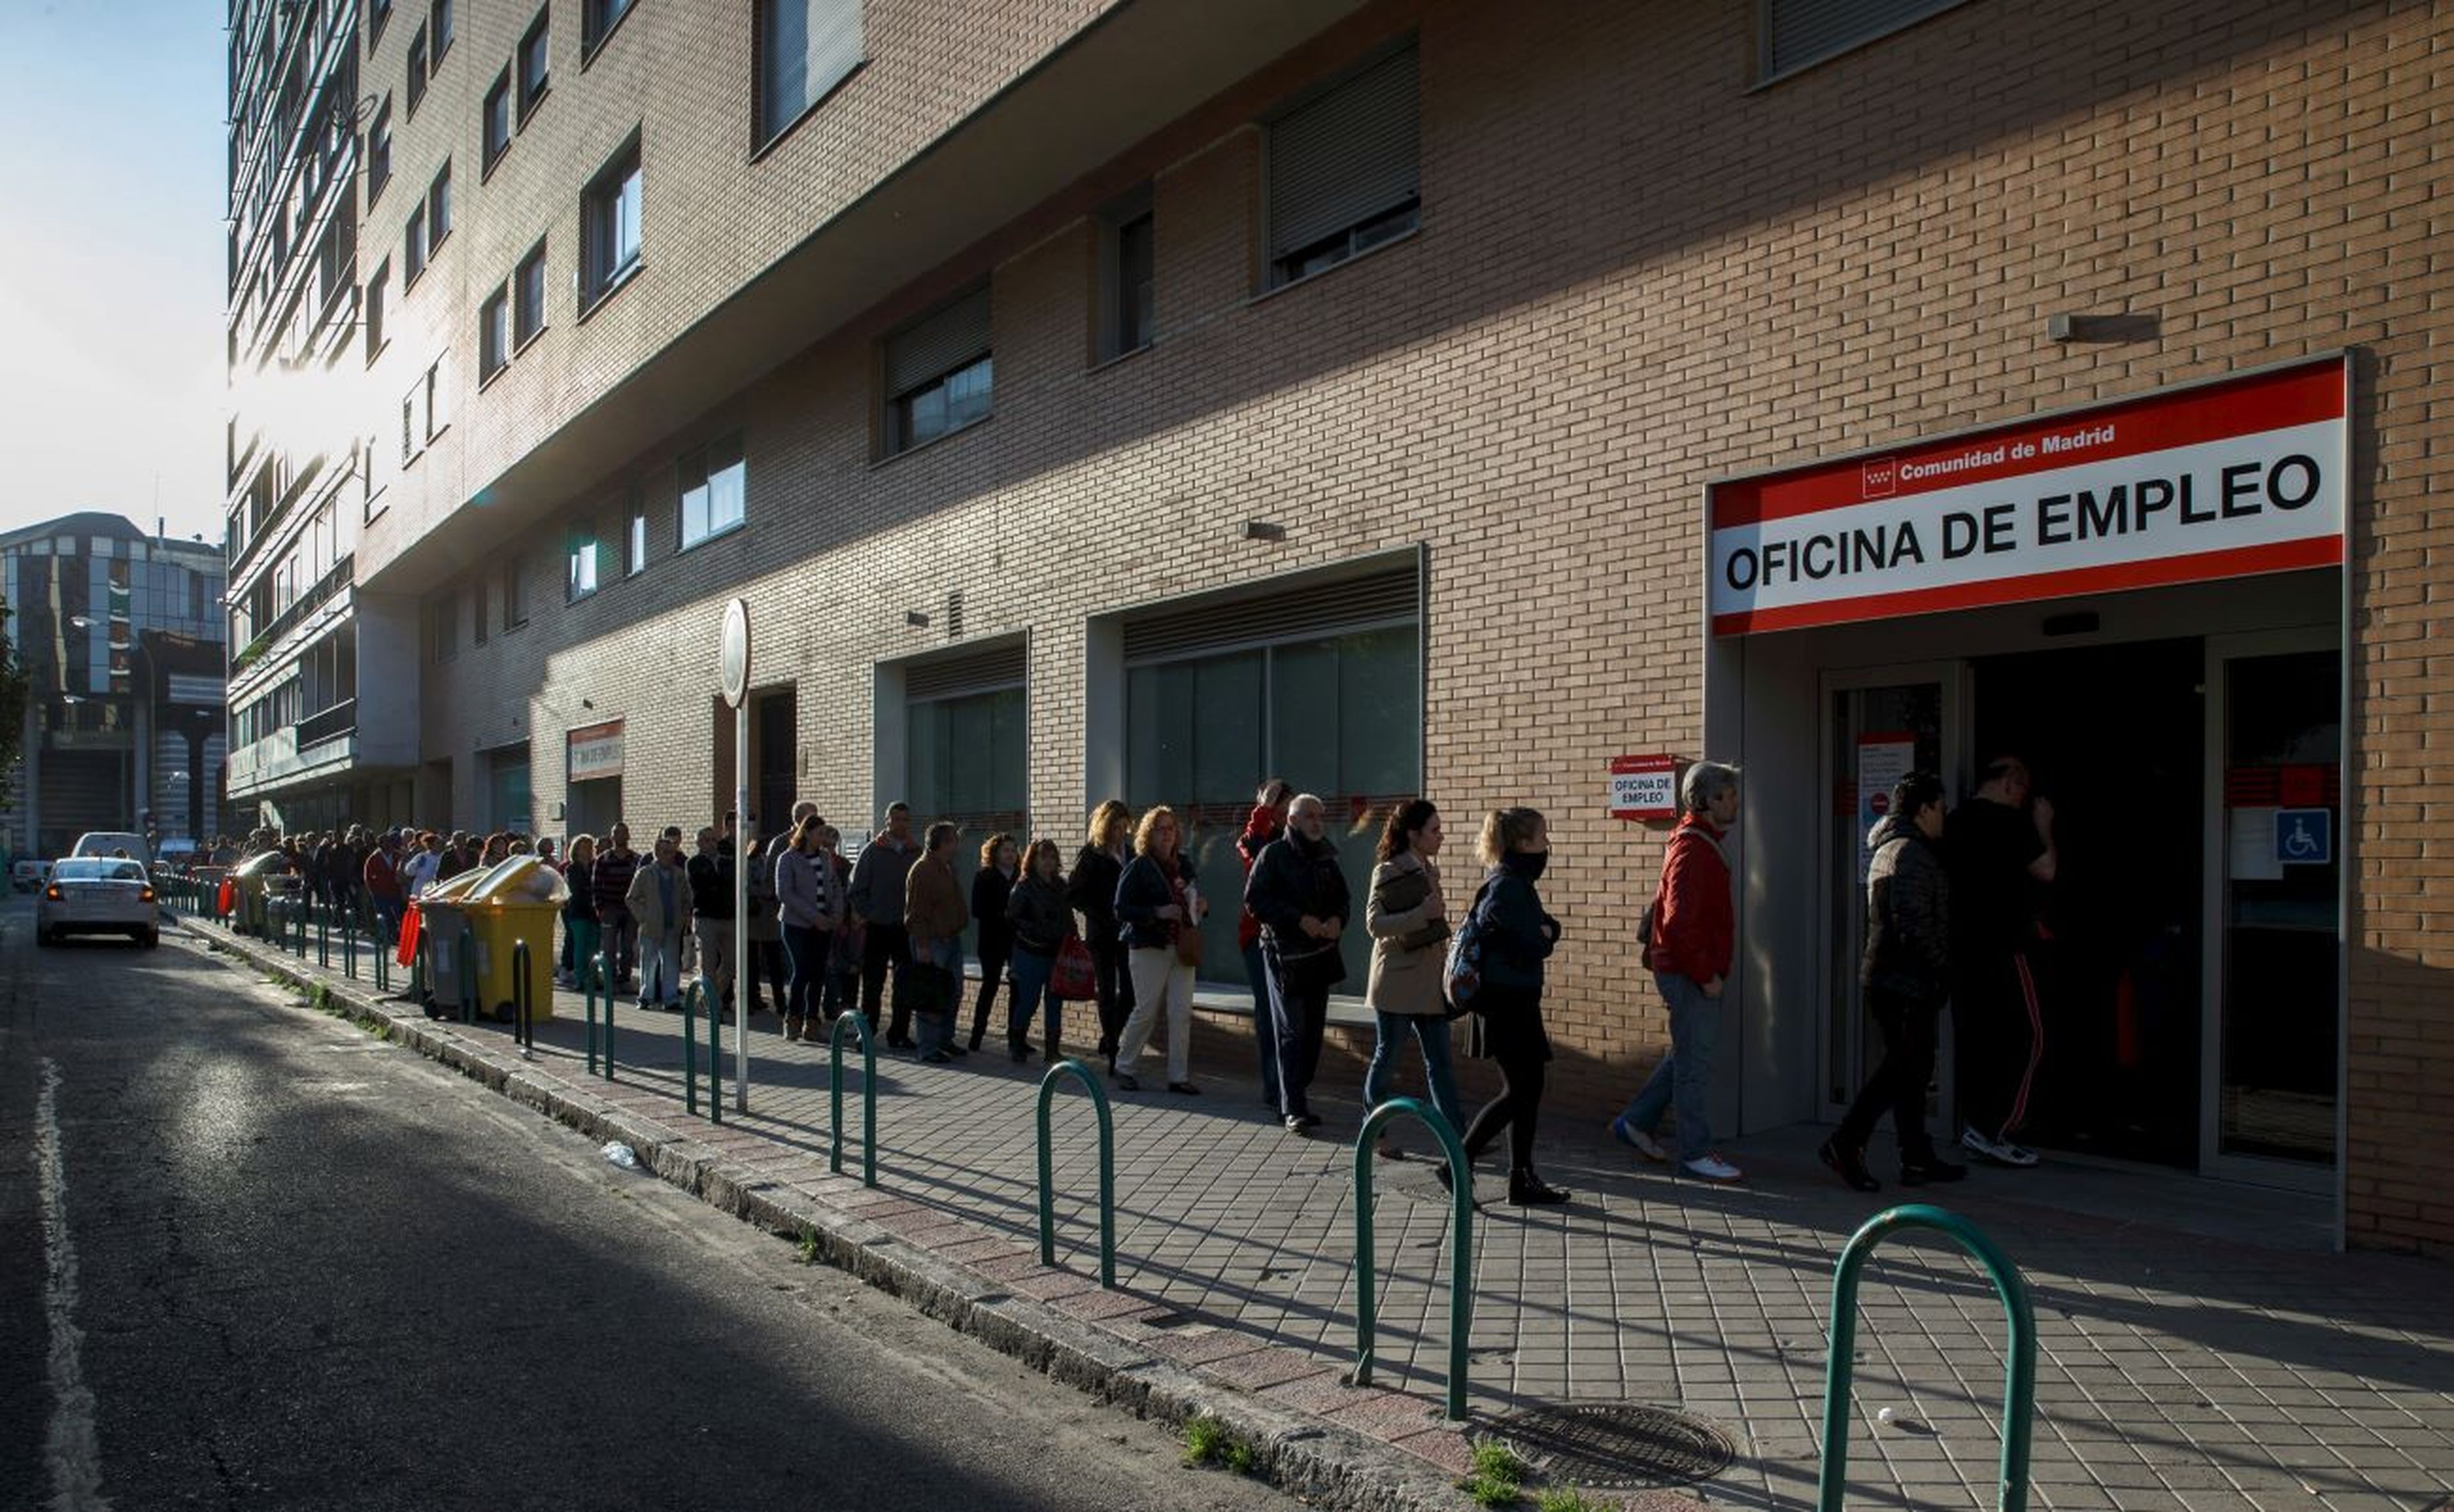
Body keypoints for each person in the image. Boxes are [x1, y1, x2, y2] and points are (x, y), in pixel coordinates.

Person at [1823, 772, 1967, 1191]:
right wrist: (1944, 968)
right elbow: (1914, 924)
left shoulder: (1895, 848)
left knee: (1913, 1071)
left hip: (1894, 979)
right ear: (1923, 810)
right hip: (1904, 981)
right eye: (1940, 808)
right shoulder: (1911, 853)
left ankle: (1916, 1158)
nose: (1944, 817)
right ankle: (1845, 1144)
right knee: (1901, 1070)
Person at [1613, 760, 1745, 1184]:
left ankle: (1635, 1122)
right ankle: (1695, 1153)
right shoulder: (1693, 849)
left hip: (1689, 969)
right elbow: (1678, 923)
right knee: (1694, 1065)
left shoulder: (1700, 842)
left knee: (1684, 1054)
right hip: (1690, 972)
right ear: (1707, 800)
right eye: (1728, 795)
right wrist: (1706, 974)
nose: (1735, 802)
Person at [1948, 755, 2057, 1168]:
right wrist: (2044, 823)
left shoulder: (1954, 823)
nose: (2025, 799)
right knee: (2030, 1035)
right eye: (2024, 790)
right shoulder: (2011, 823)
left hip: (1963, 950)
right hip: (2005, 947)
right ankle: (1995, 1128)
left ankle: (1978, 1124)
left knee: (1977, 1040)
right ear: (2011, 783)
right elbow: (2047, 869)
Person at [1456, 807, 1568, 1205]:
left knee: (1528, 1089)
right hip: (1504, 1003)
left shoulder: (1516, 883)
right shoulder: (1506, 885)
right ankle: (1458, 1161)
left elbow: (1546, 927)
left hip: (1517, 999)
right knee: (1520, 1091)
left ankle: (1521, 1178)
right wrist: (1542, 935)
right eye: (1542, 838)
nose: (1547, 846)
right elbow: (1535, 941)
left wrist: (1544, 932)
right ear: (1523, 843)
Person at [1246, 792, 1352, 1133]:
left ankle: (1295, 1096)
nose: (1318, 822)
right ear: (1291, 820)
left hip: (1319, 956)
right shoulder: (1273, 855)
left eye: (1320, 816)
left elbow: (1343, 899)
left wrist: (1338, 919)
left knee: (1312, 1033)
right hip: (1284, 954)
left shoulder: (1326, 856)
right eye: (1310, 816)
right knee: (1292, 1029)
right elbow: (1255, 900)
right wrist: (1296, 919)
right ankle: (1293, 1107)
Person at [1362, 799, 1465, 1142]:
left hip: (1431, 983)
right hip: (1398, 982)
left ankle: (1459, 1138)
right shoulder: (1389, 870)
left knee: (1441, 1063)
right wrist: (1422, 912)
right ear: (1413, 834)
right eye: (1434, 830)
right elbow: (1375, 924)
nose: (1441, 836)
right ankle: (1375, 1132)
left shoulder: (1429, 869)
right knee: (1387, 1059)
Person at [1111, 805, 1203, 1093]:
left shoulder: (1185, 864)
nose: (1167, 835)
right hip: (1148, 945)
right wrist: (1157, 912)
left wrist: (1201, 906)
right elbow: (1120, 909)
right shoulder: (1138, 866)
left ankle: (1178, 1076)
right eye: (1160, 829)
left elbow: (1193, 897)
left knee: (1181, 1012)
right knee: (1146, 1009)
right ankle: (1124, 1066)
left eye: (1171, 829)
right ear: (1148, 835)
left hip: (1182, 947)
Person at [1236, 779, 1294, 1109]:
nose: (1281, 811)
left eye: (1285, 805)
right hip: (1257, 940)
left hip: (1293, 939)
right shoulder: (1255, 842)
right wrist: (1264, 809)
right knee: (1269, 1014)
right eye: (1275, 806)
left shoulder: (1298, 841)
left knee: (1292, 1016)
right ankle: (1275, 1089)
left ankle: (1291, 1087)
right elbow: (1251, 849)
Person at [1068, 800, 1137, 1062]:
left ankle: (1110, 1036)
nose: (1121, 833)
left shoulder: (1130, 854)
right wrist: (1099, 913)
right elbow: (1073, 894)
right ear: (1105, 827)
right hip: (1102, 935)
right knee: (1107, 990)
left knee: (1130, 993)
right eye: (1116, 827)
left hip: (1127, 933)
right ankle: (1111, 1048)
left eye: (1124, 827)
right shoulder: (1091, 855)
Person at [849, 802, 920, 1046]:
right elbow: (856, 890)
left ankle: (899, 1033)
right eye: (896, 818)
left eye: (905, 819)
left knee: (905, 983)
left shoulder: (916, 851)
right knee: (872, 983)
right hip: (878, 927)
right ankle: (866, 1032)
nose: (901, 823)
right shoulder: (873, 851)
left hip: (905, 928)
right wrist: (871, 913)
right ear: (887, 820)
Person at [903, 821, 969, 1063]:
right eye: (952, 840)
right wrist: (922, 946)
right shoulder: (922, 870)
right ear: (941, 843)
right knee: (931, 996)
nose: (956, 845)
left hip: (951, 939)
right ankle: (928, 1048)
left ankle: (945, 1040)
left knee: (954, 991)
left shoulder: (947, 867)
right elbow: (916, 913)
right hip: (932, 941)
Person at [1005, 838, 1076, 1063]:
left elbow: (1068, 916)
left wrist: (1072, 936)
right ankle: (1017, 1043)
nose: (1048, 862)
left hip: (1056, 952)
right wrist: (1035, 928)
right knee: (1029, 1001)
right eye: (1043, 857)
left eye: (1052, 857)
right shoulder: (1024, 885)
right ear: (1033, 859)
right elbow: (1012, 918)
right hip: (1030, 951)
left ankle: (1052, 1050)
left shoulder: (1061, 886)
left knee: (1055, 1000)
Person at [775, 814, 840, 1041]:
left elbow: (834, 886)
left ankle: (812, 1023)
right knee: (802, 971)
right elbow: (785, 893)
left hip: (823, 925)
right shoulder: (788, 858)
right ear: (807, 833)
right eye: (820, 833)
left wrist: (835, 915)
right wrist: (815, 917)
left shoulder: (824, 857)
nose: (823, 838)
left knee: (818, 973)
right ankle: (793, 1018)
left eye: (825, 833)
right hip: (797, 924)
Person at [625, 834, 691, 1009]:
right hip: (651, 927)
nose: (669, 855)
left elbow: (687, 898)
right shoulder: (645, 873)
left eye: (672, 852)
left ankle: (670, 999)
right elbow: (631, 898)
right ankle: (646, 997)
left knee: (671, 964)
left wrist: (684, 917)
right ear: (657, 854)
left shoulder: (679, 874)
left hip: (672, 926)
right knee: (649, 964)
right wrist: (643, 917)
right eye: (665, 852)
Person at [967, 833, 1019, 1052]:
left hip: (1016, 940)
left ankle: (1015, 1036)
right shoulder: (985, 876)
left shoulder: (1021, 876)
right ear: (995, 853)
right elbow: (977, 909)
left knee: (1018, 986)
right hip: (992, 939)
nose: (1011, 854)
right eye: (1006, 850)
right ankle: (977, 1034)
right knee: (990, 985)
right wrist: (1002, 912)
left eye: (1013, 850)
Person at [743, 817, 791, 1023]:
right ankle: (752, 998)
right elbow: (747, 886)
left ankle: (780, 1001)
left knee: (774, 962)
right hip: (755, 916)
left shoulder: (776, 862)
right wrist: (764, 892)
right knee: (752, 962)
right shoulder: (751, 863)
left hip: (770, 917)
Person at [686, 825, 736, 1016]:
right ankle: (713, 1007)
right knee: (709, 964)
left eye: (714, 839)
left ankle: (710, 997)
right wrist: (718, 883)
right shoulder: (694, 863)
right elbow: (702, 884)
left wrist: (718, 883)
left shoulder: (727, 862)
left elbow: (731, 885)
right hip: (706, 918)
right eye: (706, 840)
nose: (711, 843)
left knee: (731, 963)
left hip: (728, 917)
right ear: (698, 843)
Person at [594, 822, 642, 990]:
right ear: (612, 836)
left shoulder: (636, 859)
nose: (620, 836)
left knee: (628, 946)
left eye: (624, 833)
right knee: (609, 947)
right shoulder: (604, 859)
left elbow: (641, 886)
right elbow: (596, 886)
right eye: (617, 833)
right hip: (610, 908)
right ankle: (610, 979)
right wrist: (600, 907)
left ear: (628, 836)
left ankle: (625, 978)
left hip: (630, 910)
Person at [560, 835, 603, 991]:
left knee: (593, 946)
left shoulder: (596, 866)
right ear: (576, 850)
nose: (587, 850)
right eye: (583, 847)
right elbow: (576, 890)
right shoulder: (572, 868)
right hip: (578, 912)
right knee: (580, 945)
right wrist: (589, 891)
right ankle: (580, 978)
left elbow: (599, 886)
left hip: (594, 912)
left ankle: (592, 977)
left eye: (589, 847)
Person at [363, 831, 406, 947]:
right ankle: (384, 936)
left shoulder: (398, 856)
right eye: (384, 843)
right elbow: (368, 877)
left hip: (395, 892)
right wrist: (374, 892)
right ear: (380, 845)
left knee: (397, 915)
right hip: (380, 893)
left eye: (389, 842)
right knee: (383, 915)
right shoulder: (374, 858)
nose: (388, 845)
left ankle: (395, 936)